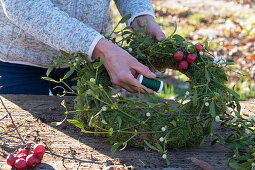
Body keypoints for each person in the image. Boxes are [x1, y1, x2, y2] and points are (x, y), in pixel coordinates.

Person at [0, 0, 166, 95]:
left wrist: (141, 16)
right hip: (18, 58)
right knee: (21, 144)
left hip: (86, 62)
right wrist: (99, 48)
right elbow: (22, 4)